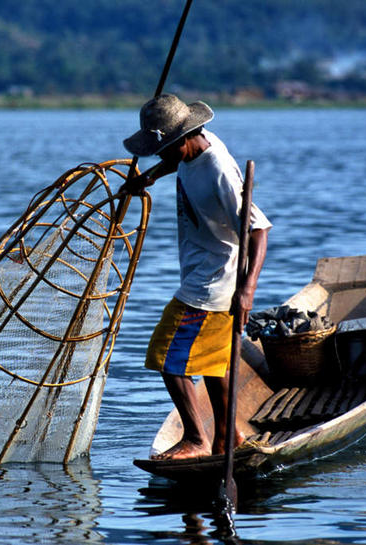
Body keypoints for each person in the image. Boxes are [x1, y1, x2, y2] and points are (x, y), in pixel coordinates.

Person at [122, 94, 272, 461]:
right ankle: (229, 437)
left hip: (211, 284)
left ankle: (196, 439)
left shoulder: (218, 169)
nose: (160, 156)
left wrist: (247, 290)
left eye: (163, 151)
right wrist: (150, 176)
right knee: (214, 365)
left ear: (182, 140)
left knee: (165, 358)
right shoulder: (192, 148)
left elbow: (258, 231)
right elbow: (177, 163)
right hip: (203, 274)